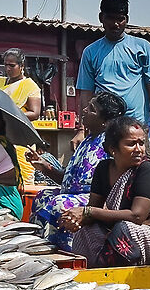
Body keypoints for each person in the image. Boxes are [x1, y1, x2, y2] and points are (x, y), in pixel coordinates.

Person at [66, 115, 150, 269]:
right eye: (131, 144)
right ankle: (94, 268)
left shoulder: (146, 169)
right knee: (86, 231)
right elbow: (94, 211)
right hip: (133, 233)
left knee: (125, 230)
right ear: (113, 148)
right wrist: (74, 219)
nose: (139, 149)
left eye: (141, 143)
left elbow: (137, 216)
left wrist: (87, 212)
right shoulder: (103, 169)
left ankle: (106, 273)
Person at [76, 0, 150, 162]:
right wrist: (81, 129)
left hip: (136, 126)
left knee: (141, 171)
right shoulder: (90, 52)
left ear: (126, 20)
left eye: (120, 19)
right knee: (103, 171)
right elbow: (86, 93)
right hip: (104, 128)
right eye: (110, 18)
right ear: (101, 18)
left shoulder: (143, 47)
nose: (115, 24)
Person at [33, 90, 122, 250]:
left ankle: (68, 249)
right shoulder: (86, 141)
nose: (85, 110)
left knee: (60, 203)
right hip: (74, 194)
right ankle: (37, 244)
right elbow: (69, 180)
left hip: (97, 201)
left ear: (104, 122)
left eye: (92, 109)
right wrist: (45, 167)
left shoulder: (109, 145)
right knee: (42, 196)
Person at [0, 49, 44, 119]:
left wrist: (11, 114)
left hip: (15, 124)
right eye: (6, 65)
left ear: (21, 66)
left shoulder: (30, 86)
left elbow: (35, 114)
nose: (8, 69)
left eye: (12, 65)